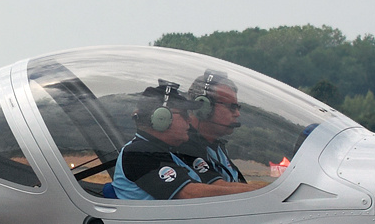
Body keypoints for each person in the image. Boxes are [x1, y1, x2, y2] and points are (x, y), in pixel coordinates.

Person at [111, 81, 262, 200]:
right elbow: (190, 193)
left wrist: (264, 192)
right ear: (162, 119)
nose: (190, 120)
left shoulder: (171, 152)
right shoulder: (138, 153)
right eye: (184, 114)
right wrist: (261, 193)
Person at [180, 70, 248, 183]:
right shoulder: (185, 147)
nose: (237, 114)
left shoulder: (217, 146)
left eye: (238, 107)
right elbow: (219, 189)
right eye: (232, 107)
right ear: (204, 107)